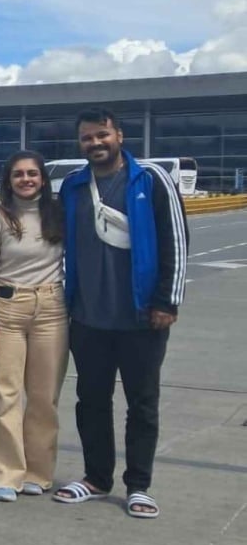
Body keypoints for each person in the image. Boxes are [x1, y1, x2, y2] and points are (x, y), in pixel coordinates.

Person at [54, 109, 187, 518]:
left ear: (119, 136)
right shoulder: (73, 187)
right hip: (89, 319)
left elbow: (176, 241)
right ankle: (96, 478)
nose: (95, 143)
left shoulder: (151, 179)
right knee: (90, 401)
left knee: (142, 403)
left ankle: (139, 485)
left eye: (102, 135)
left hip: (141, 318)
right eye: (87, 138)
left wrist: (167, 301)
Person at [0, 151, 68, 502]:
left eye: (32, 174)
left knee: (45, 397)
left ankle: (38, 472)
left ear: (43, 179)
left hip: (52, 310)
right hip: (8, 310)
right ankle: (5, 473)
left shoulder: (57, 214)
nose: (26, 179)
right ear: (8, 180)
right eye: (18, 174)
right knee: (5, 394)